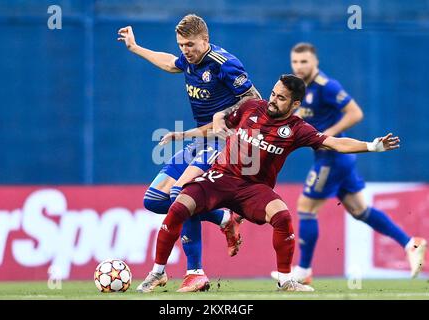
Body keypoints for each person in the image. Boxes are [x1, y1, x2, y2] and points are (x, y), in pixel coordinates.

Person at [136, 74, 401, 293]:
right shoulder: (251, 107)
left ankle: (285, 280)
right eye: (274, 93)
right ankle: (157, 272)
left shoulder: (297, 129)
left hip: (254, 189)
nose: (273, 100)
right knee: (179, 204)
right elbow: (216, 127)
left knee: (283, 216)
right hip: (221, 177)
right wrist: (184, 134)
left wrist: (373, 146)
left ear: (295, 104)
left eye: (281, 98)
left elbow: (335, 143)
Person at [117, 14, 261, 292]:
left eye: (190, 44)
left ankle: (194, 272)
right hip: (201, 140)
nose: (185, 50)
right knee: (155, 199)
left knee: (181, 193)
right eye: (181, 45)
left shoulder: (225, 64)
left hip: (227, 142)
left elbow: (255, 100)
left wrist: (225, 115)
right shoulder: (188, 60)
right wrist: (135, 48)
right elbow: (171, 64)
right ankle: (224, 218)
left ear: (205, 40)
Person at [271, 43, 426, 284]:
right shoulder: (302, 90)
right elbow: (301, 116)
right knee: (359, 210)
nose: (299, 66)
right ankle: (410, 243)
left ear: (316, 62)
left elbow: (355, 113)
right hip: (339, 159)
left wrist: (328, 136)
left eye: (304, 61)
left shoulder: (327, 86)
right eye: (295, 62)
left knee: (305, 208)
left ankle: (303, 270)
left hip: (332, 158)